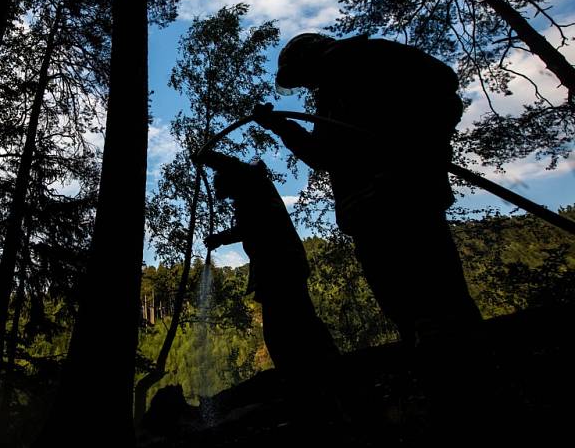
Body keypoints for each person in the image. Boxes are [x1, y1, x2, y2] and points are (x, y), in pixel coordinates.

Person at [253, 33, 482, 347]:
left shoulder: (365, 55)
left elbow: (442, 85)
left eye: (302, 78)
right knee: (405, 309)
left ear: (309, 58)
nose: (306, 85)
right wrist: (280, 126)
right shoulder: (329, 97)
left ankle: (474, 370)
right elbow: (324, 154)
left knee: (439, 301)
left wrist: (417, 154)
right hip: (366, 214)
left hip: (406, 202)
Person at [194, 150, 339, 388]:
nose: (229, 198)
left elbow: (230, 165)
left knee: (288, 328)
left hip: (281, 266)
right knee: (293, 325)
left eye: (228, 192)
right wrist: (222, 237)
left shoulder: (254, 182)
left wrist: (206, 156)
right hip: (276, 267)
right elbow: (248, 227)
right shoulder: (251, 196)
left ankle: (312, 377)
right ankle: (313, 375)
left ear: (232, 180)